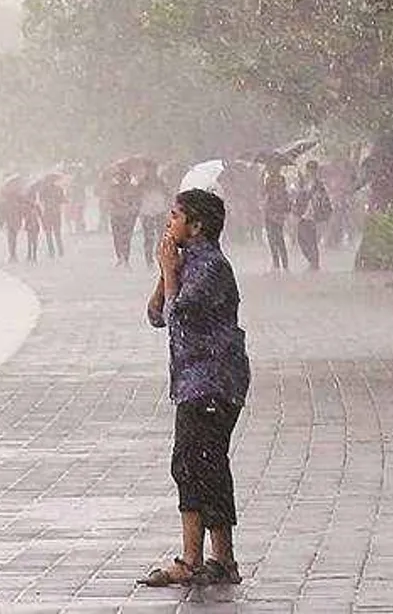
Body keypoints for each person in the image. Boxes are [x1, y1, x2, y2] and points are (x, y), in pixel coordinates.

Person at [139, 189, 250, 588]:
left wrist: (171, 271)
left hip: (212, 380)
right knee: (206, 465)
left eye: (175, 216)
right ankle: (221, 560)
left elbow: (178, 313)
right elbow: (155, 315)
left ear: (197, 225)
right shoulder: (189, 264)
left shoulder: (212, 267)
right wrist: (166, 270)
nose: (168, 222)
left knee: (192, 463)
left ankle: (193, 559)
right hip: (194, 380)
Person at [293, 160, 332, 271]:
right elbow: (300, 196)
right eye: (309, 169)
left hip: (314, 215)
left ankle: (314, 264)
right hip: (303, 214)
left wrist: (324, 214)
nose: (310, 171)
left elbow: (323, 198)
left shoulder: (319, 184)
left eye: (312, 169)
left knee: (311, 240)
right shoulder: (303, 182)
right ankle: (312, 262)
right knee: (301, 239)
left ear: (315, 170)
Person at [138, 164, 172, 268]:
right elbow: (136, 196)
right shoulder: (142, 183)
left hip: (159, 211)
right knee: (149, 237)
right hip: (147, 211)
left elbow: (167, 194)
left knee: (160, 235)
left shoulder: (160, 182)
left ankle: (157, 255)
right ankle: (149, 259)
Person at [107, 167, 141, 268]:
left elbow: (137, 202)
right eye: (119, 176)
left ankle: (125, 258)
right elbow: (109, 201)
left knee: (126, 237)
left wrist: (133, 210)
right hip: (116, 215)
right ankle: (120, 257)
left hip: (128, 216)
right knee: (117, 237)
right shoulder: (113, 189)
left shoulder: (133, 189)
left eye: (123, 176)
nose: (121, 179)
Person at [261, 164, 291, 271]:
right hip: (271, 213)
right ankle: (279, 264)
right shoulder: (272, 183)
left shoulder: (278, 182)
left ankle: (281, 264)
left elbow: (264, 192)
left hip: (276, 214)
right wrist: (262, 176)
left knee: (277, 239)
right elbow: (263, 192)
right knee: (274, 239)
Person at [37, 175, 67, 258]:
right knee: (56, 233)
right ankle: (60, 250)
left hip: (48, 213)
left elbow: (40, 200)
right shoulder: (58, 189)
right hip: (56, 213)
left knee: (49, 233)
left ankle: (52, 251)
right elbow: (63, 200)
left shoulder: (43, 190)